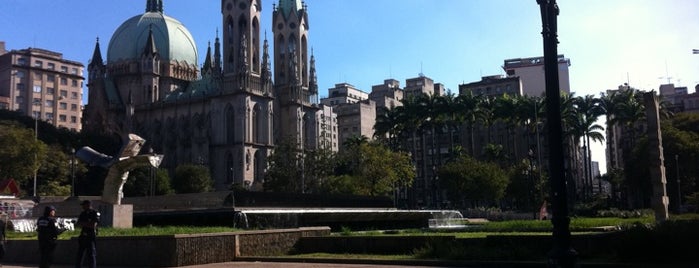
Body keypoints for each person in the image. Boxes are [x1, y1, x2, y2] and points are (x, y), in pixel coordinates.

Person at [75, 200, 99, 268]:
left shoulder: (94, 213)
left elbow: (93, 225)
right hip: (83, 235)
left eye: (84, 205)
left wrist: (83, 224)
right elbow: (78, 224)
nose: (82, 207)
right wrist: (86, 224)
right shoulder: (83, 213)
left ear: (88, 205)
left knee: (91, 254)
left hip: (90, 235)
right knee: (80, 254)